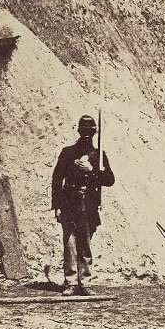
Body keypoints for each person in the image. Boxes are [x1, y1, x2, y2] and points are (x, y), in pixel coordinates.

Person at [51, 115, 115, 295]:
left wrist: (92, 171)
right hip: (69, 202)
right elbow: (57, 179)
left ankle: (85, 282)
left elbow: (110, 180)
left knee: (85, 244)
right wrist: (56, 205)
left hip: (89, 203)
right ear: (78, 131)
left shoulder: (99, 155)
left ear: (94, 134)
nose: (86, 136)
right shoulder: (68, 152)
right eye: (84, 132)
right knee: (70, 243)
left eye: (90, 133)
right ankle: (71, 282)